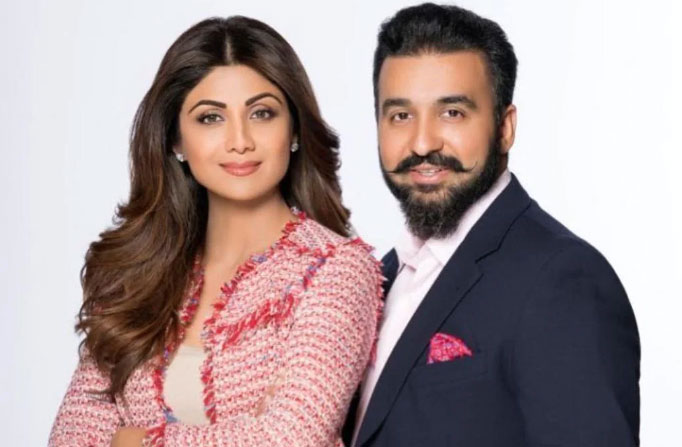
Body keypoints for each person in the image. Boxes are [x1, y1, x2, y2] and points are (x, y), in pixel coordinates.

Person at [49, 16, 383, 447]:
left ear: (294, 130)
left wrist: (133, 441)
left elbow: (291, 437)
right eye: (210, 118)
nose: (240, 140)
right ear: (176, 141)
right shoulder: (135, 275)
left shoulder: (335, 270)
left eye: (262, 113)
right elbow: (72, 436)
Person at [345, 3, 640, 447]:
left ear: (505, 127)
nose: (422, 143)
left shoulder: (562, 279)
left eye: (452, 113)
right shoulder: (375, 280)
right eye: (401, 115)